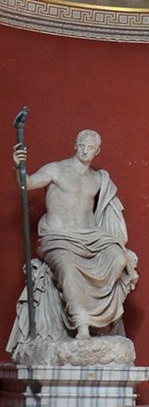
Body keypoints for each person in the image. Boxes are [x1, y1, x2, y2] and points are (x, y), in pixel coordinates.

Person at [9, 131, 138, 350]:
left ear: (97, 151)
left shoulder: (99, 179)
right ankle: (82, 325)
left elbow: (108, 210)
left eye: (90, 148)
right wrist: (17, 167)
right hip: (59, 238)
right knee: (69, 269)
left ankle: (99, 318)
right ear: (75, 145)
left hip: (90, 237)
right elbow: (27, 183)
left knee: (118, 258)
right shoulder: (56, 169)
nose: (85, 151)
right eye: (82, 145)